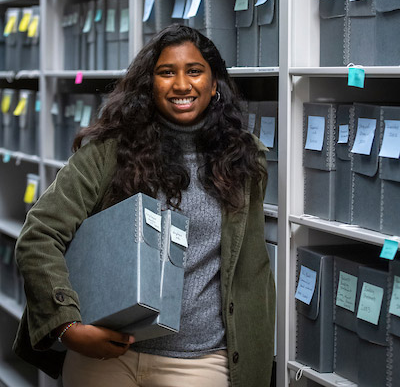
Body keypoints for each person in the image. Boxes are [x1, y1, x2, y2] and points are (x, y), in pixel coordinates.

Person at [13, 24, 275, 387]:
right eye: (167, 72)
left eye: (194, 71)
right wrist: (67, 326)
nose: (181, 85)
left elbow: (251, 268)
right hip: (108, 353)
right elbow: (39, 235)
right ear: (149, 84)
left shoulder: (245, 160)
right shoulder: (109, 152)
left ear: (215, 84)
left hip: (198, 362)